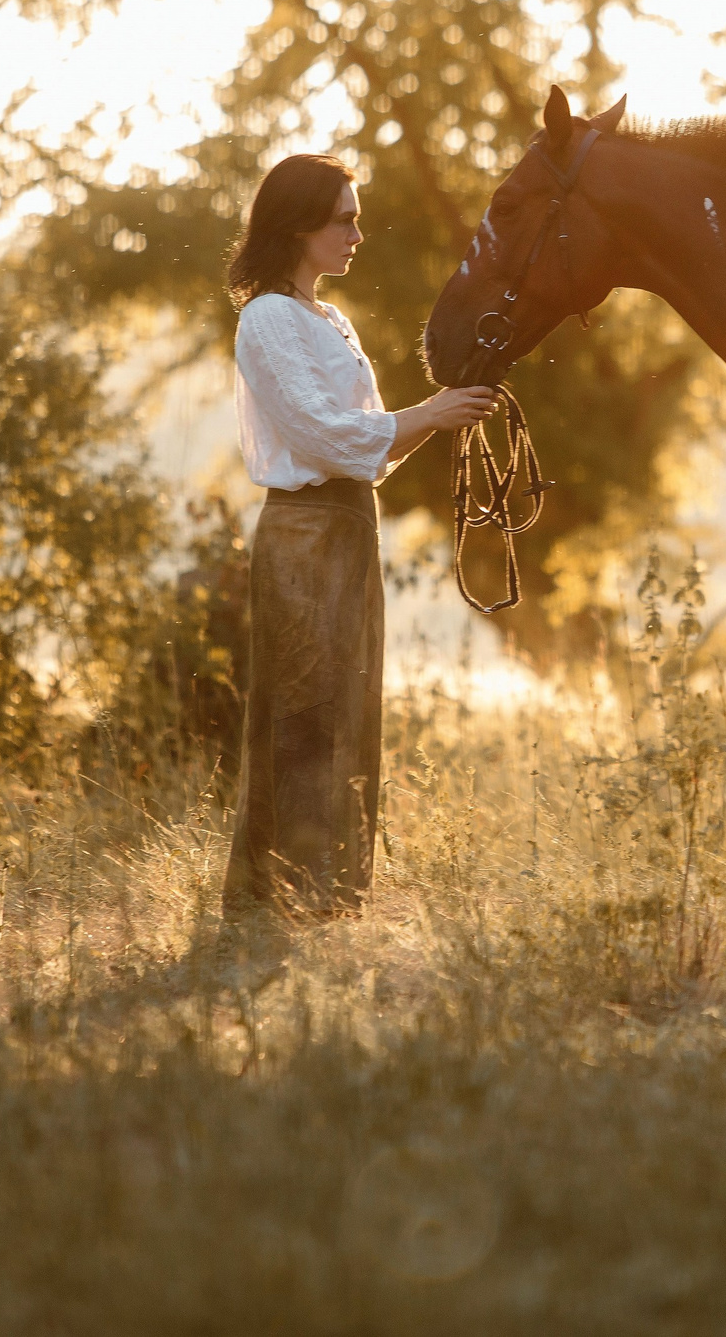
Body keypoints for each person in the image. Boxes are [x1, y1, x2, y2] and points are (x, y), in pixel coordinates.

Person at [220, 152, 497, 918]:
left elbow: (366, 447)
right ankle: (278, 904)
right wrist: (432, 414)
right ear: (299, 224)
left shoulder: (327, 319)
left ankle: (333, 901)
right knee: (303, 715)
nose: (357, 233)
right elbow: (325, 436)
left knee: (350, 711)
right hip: (305, 535)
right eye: (343, 218)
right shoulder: (267, 317)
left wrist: (446, 413)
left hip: (346, 525)